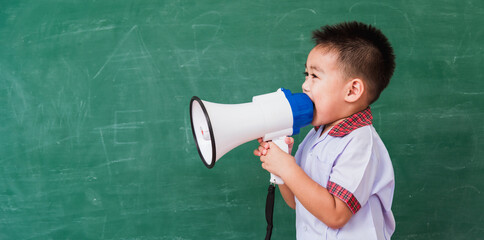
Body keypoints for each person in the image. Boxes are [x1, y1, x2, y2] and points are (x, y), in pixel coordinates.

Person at [254, 21, 396, 239]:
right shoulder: (316, 135)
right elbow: (297, 202)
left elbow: (336, 215)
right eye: (305, 74)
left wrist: (288, 168)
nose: (305, 85)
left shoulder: (360, 143)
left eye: (315, 76)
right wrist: (281, 168)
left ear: (352, 90)